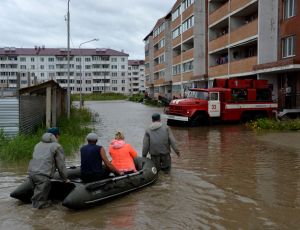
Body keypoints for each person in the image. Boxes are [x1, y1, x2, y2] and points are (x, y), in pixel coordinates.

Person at [28, 127, 69, 209]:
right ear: (57, 136)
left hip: (31, 174)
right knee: (39, 206)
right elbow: (61, 165)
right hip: (42, 177)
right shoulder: (56, 146)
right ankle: (37, 219)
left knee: (36, 200)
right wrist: (65, 178)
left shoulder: (38, 144)